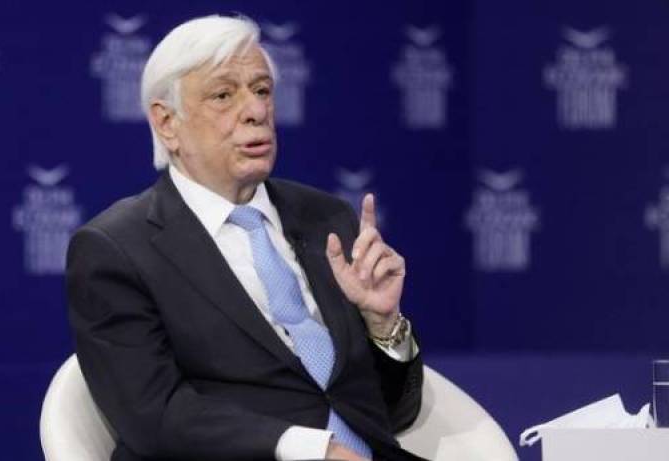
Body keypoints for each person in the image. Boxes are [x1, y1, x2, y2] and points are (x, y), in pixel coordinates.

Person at [66, 14, 424, 461]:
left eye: (261, 90)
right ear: (167, 123)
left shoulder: (326, 218)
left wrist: (383, 326)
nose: (255, 111)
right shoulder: (116, 250)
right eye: (223, 95)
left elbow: (393, 412)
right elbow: (153, 416)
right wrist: (312, 450)